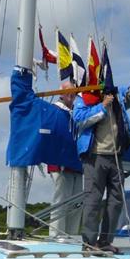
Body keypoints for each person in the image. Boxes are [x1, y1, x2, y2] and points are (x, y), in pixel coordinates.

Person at [73, 51, 130, 252]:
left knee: (116, 201)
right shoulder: (84, 97)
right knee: (93, 199)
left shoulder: (117, 95)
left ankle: (105, 241)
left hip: (116, 157)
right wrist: (102, 107)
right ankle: (89, 243)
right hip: (95, 157)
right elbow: (78, 118)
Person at [48, 80, 82, 237]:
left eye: (74, 91)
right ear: (61, 93)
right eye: (68, 91)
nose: (72, 94)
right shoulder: (55, 111)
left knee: (77, 204)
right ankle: (56, 237)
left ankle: (72, 237)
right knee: (61, 202)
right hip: (60, 164)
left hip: (77, 165)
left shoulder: (77, 112)